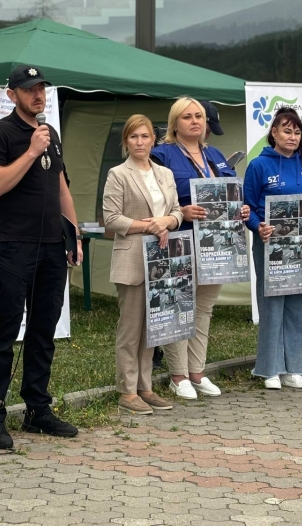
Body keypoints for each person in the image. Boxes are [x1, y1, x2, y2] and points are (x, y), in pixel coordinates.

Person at [0, 65, 82, 449]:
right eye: (29, 89)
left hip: (52, 246)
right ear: (12, 94)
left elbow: (60, 184)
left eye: (41, 88)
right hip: (15, 247)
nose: (37, 95)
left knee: (43, 331)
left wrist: (73, 232)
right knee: (5, 332)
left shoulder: (50, 132)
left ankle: (38, 409)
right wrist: (31, 151)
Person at [151, 97, 250, 400]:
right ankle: (177, 375)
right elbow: (152, 197)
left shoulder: (216, 154)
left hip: (217, 245)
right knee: (178, 305)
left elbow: (228, 192)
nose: (195, 121)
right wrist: (180, 210)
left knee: (203, 309)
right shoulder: (161, 154)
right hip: (179, 239)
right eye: (187, 117)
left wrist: (240, 210)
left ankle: (197, 372)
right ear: (174, 123)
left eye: (200, 116)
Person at [103, 114, 183, 415]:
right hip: (132, 258)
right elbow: (111, 219)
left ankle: (146, 387)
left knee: (154, 328)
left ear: (154, 140)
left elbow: (176, 212)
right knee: (131, 328)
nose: (140, 142)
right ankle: (127, 389)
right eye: (134, 137)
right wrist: (147, 226)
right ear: (126, 141)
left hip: (161, 258)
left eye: (145, 136)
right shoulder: (118, 174)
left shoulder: (165, 174)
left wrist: (166, 221)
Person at [244, 107, 302, 390]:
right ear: (274, 133)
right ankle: (269, 368)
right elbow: (247, 208)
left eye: (296, 132)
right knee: (272, 303)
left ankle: (294, 367)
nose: (292, 137)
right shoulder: (259, 165)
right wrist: (258, 226)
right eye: (286, 131)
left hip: (300, 245)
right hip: (269, 243)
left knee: (298, 304)